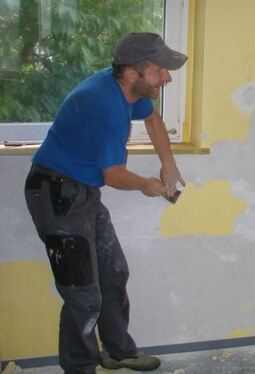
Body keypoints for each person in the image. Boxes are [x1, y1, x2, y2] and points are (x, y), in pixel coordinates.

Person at [24, 32, 187, 374]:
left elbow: (152, 117)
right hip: (56, 193)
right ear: (133, 73)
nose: (167, 77)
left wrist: (168, 163)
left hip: (80, 190)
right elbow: (113, 174)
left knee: (113, 273)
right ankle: (81, 368)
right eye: (160, 70)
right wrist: (148, 186)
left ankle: (117, 352)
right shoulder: (105, 105)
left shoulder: (128, 89)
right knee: (83, 294)